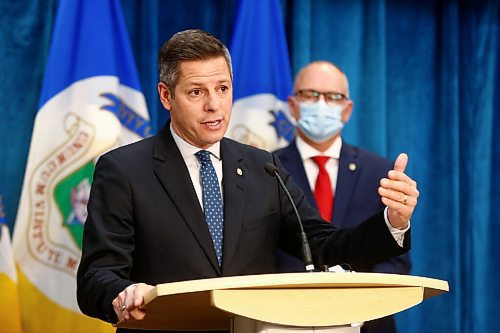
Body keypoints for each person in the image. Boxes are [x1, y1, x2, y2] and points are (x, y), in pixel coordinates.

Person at [76, 29, 419, 333]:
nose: (214, 105)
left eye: (222, 88)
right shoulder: (123, 170)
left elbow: (325, 247)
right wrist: (122, 294)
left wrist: (393, 221)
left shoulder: (262, 167)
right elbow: (95, 278)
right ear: (166, 96)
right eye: (196, 92)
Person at [274, 61, 411, 333]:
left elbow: (395, 262)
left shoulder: (381, 172)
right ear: (292, 105)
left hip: (367, 322)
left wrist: (355, 302)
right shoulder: (268, 170)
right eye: (310, 95)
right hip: (285, 321)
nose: (321, 104)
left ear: (347, 109)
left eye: (333, 97)